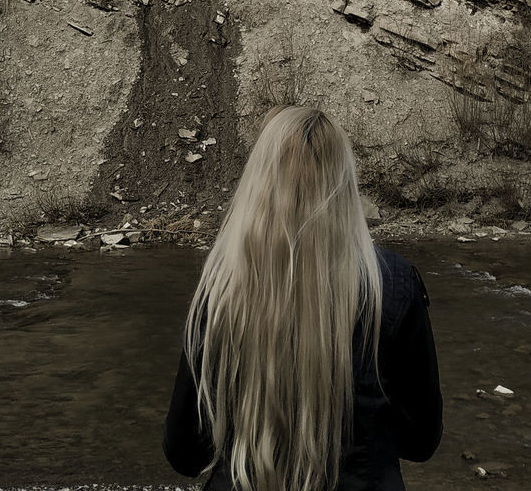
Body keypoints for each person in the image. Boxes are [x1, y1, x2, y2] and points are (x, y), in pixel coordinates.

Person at [163, 105, 442, 491]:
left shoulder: (220, 287)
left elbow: (184, 453)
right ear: (343, 184)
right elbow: (420, 441)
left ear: (259, 182)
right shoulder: (393, 283)